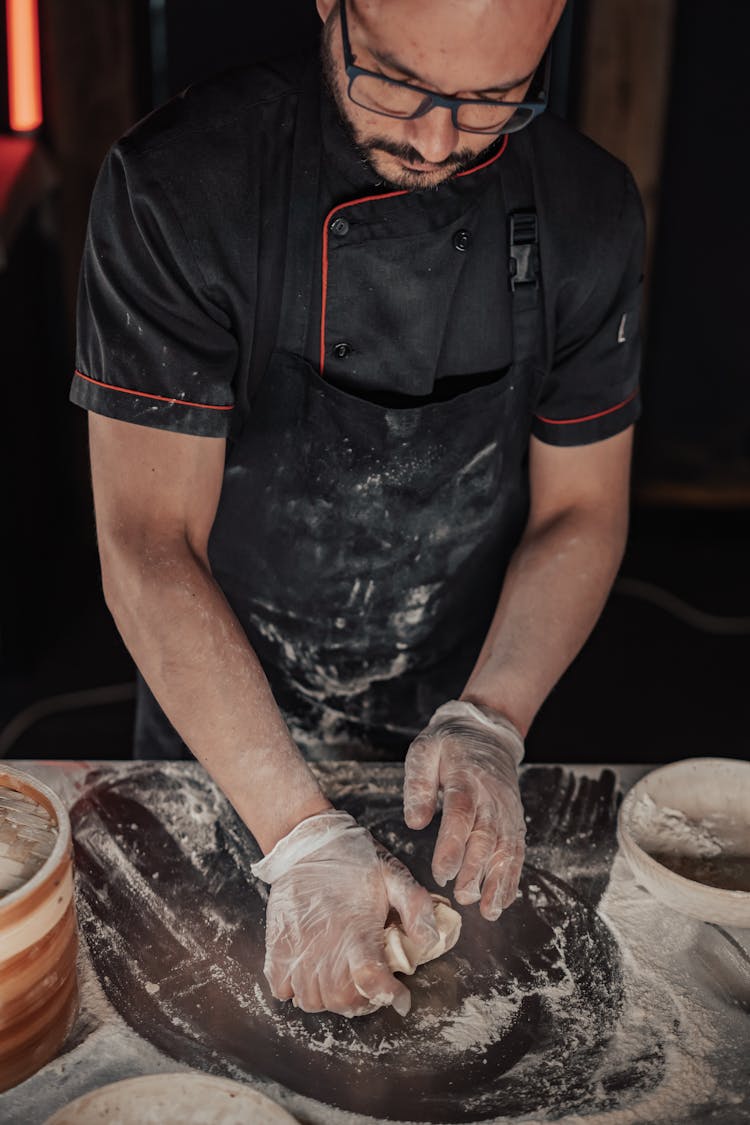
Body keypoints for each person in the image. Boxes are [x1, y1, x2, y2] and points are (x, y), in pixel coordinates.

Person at [71, 0, 645, 1020]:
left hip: (462, 723)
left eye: (490, 100)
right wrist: (298, 836)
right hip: (222, 741)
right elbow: (145, 541)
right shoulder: (182, 188)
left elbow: (584, 510)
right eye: (397, 82)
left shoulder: (587, 208)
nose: (434, 140)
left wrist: (494, 722)